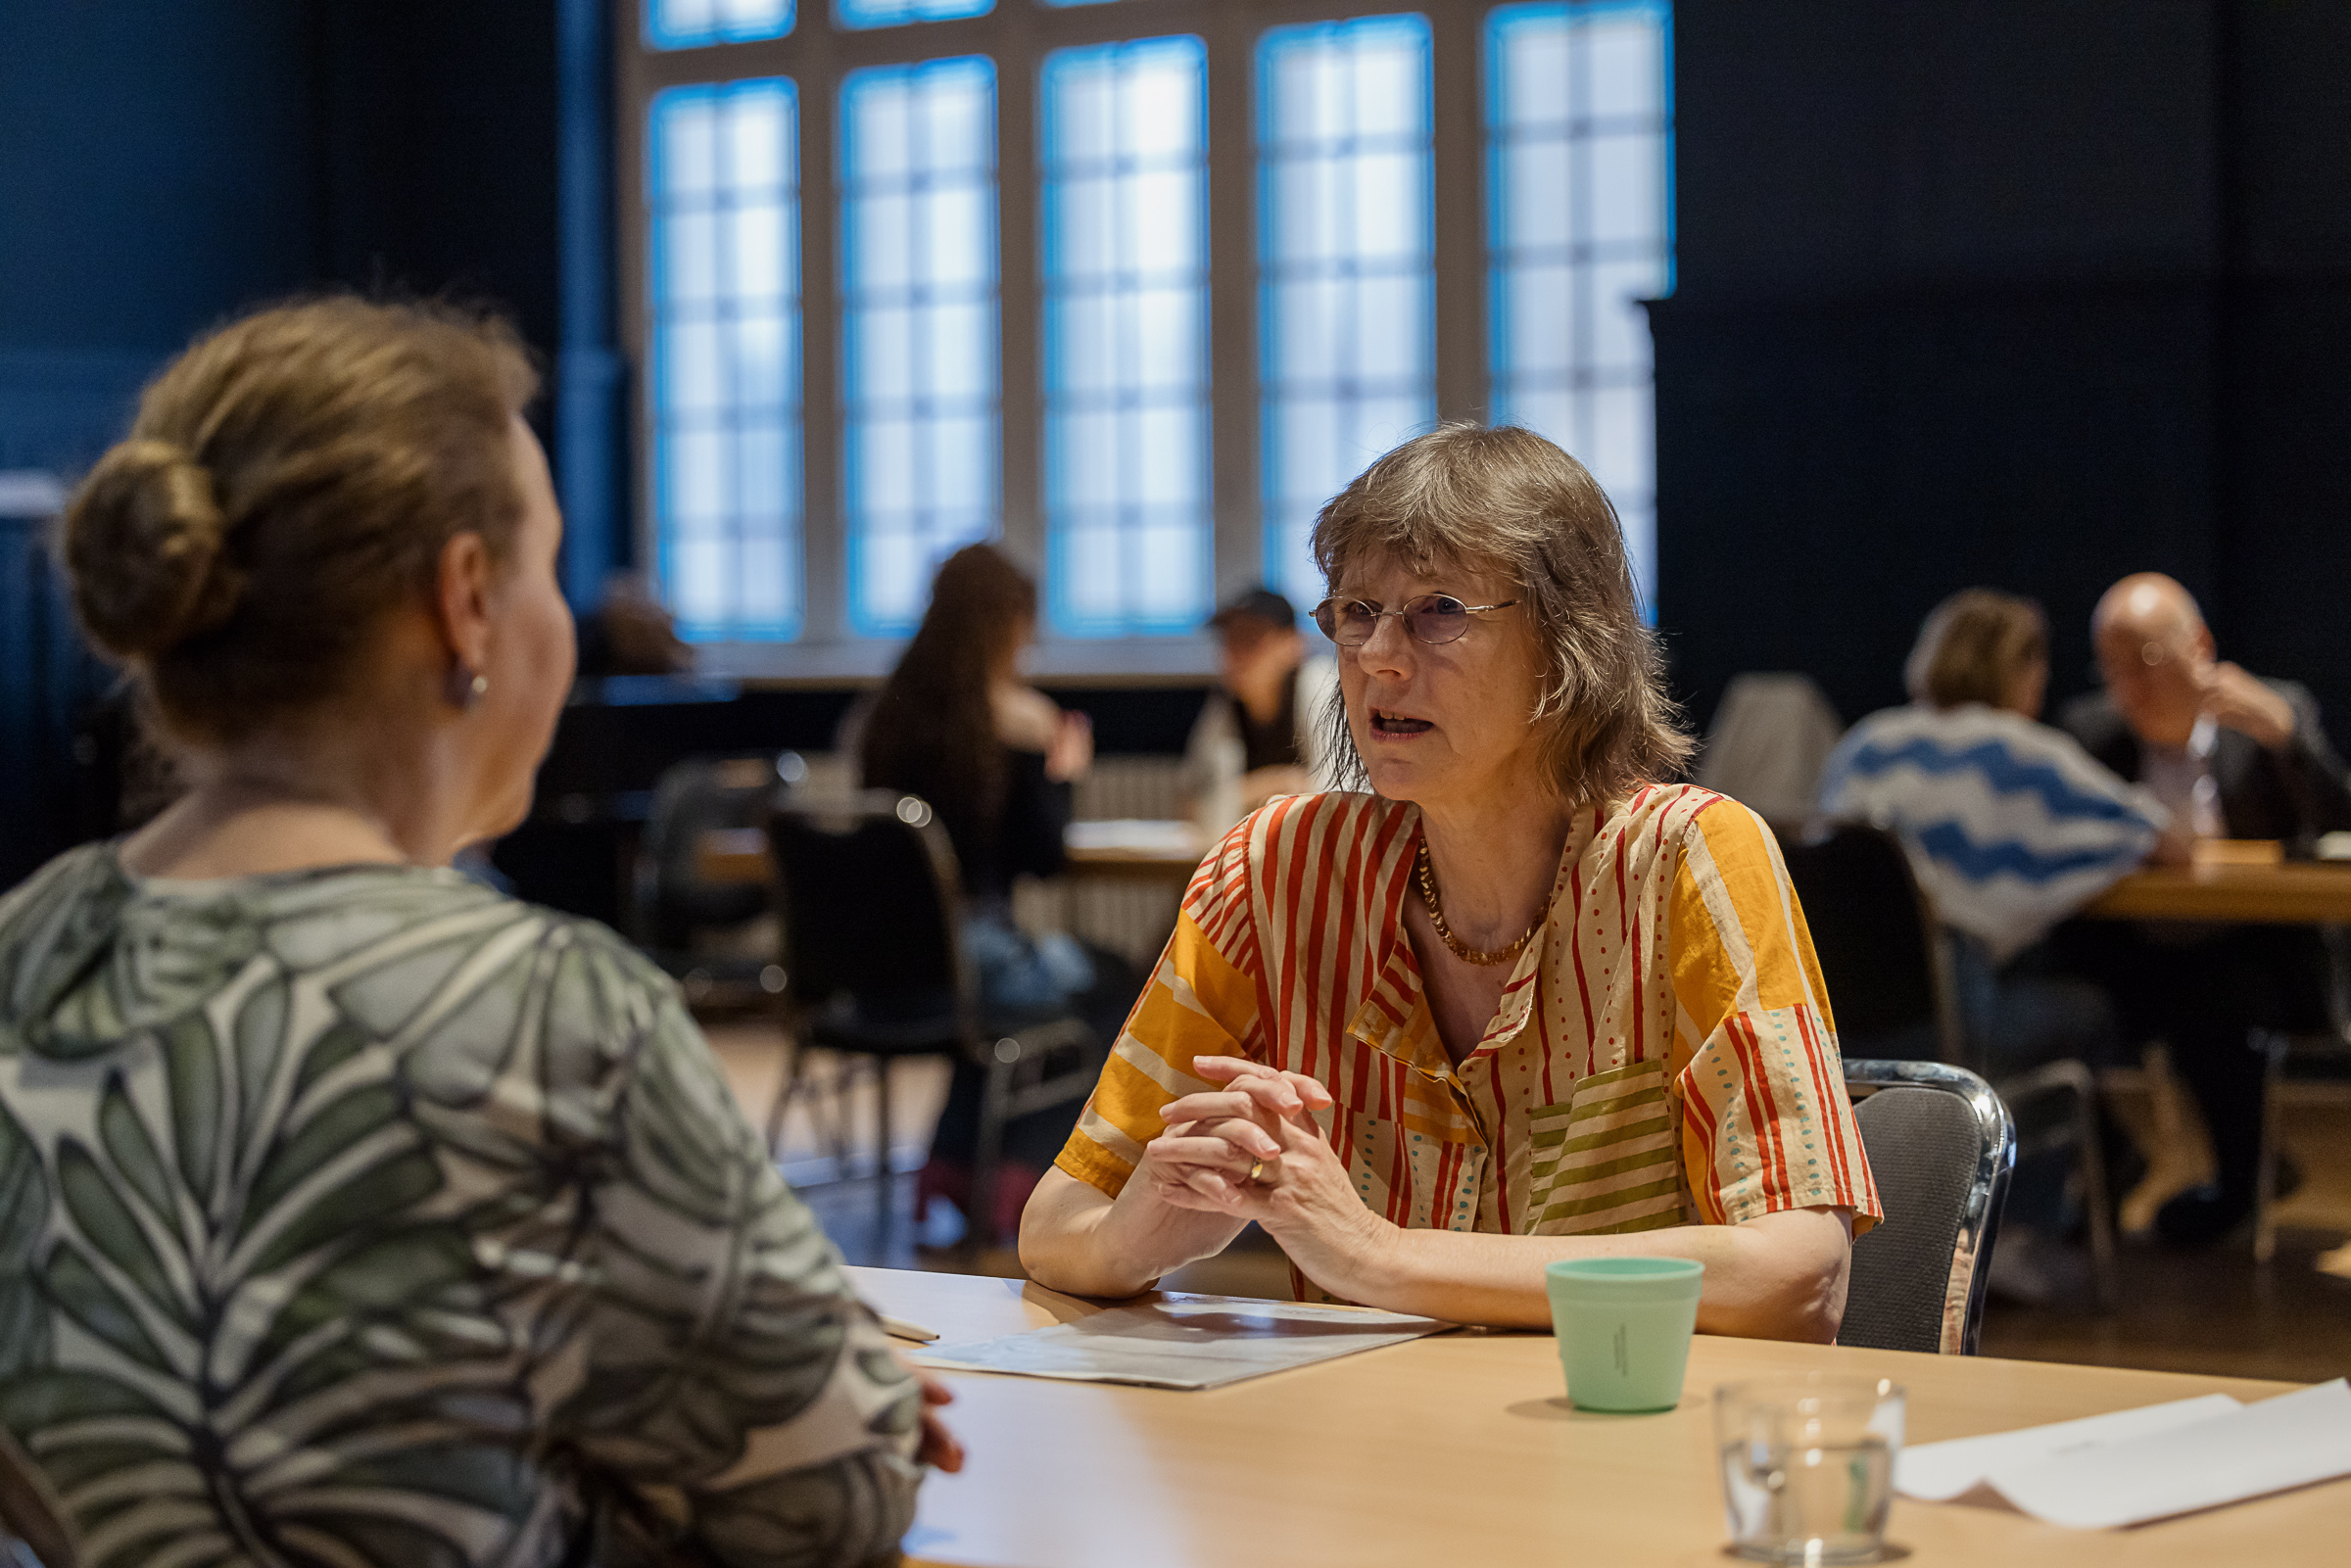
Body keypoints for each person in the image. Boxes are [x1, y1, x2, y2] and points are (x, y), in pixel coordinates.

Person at [0, 298, 955, 1568]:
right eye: (547, 566)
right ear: (465, 601)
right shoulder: (550, 1009)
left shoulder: (30, 943)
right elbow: (826, 1500)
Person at [1020, 425, 1882, 1339]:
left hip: (1623, 1450)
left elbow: (1799, 1271)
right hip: (1367, 1457)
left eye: (1438, 610)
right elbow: (1052, 1228)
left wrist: (1372, 1253)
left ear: (1567, 646)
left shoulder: (1689, 859)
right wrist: (1141, 1230)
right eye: (1355, 610)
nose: (1379, 656)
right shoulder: (1274, 873)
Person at [2057, 572, 2351, 1244]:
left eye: (2149, 661)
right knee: (2064, 997)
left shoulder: (2274, 714)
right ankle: (2099, 1174)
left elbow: (2340, 827)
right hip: (2134, 946)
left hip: (2259, 952)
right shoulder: (2089, 733)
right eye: (2114, 667)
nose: (2133, 686)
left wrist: (2287, 742)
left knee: (2220, 995)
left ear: (2200, 645)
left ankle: (2238, 1185)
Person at [858, 544, 1132, 1240]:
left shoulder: (884, 715)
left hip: (873, 966)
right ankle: (1021, 1167)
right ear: (1009, 623)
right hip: (969, 958)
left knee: (1005, 1017)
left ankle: (950, 1162)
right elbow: (1043, 858)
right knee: (1110, 985)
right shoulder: (1011, 719)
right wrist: (1060, 772)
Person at [1818, 589, 2169, 1067]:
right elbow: (2154, 834)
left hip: (1843, 1030)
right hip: (1959, 1023)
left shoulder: (1865, 747)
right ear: (2020, 671)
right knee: (2095, 1010)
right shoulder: (2019, 752)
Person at [1178, 587, 1339, 837]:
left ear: (1293, 644)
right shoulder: (1225, 706)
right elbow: (1192, 806)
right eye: (1229, 639)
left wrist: (1240, 795)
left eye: (1251, 638)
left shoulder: (1316, 683)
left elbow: (1336, 796)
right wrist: (1279, 782)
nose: (1235, 652)